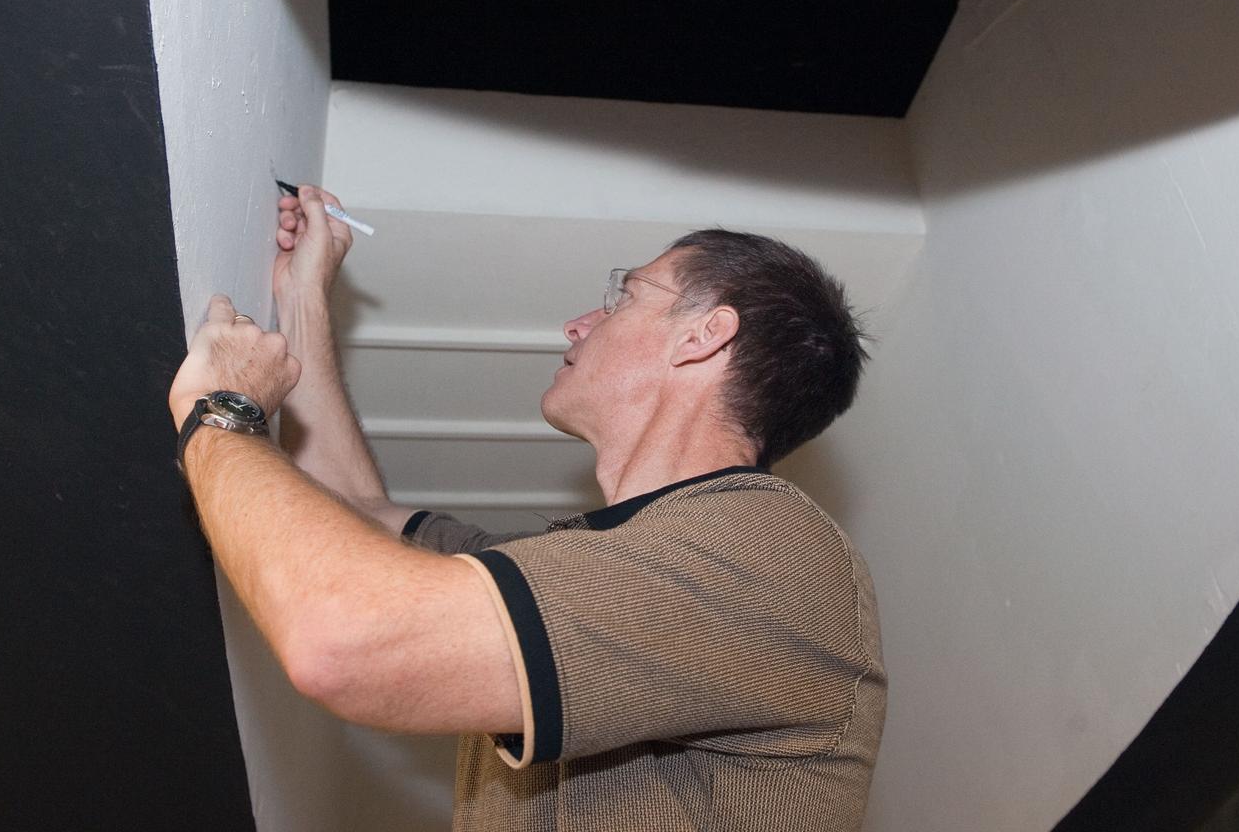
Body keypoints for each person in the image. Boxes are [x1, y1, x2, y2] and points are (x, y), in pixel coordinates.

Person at [170, 185, 886, 831]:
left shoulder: (767, 557)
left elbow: (344, 639)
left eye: (623, 296)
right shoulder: (600, 571)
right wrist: (302, 299)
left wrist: (221, 412)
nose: (577, 325)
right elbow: (358, 509)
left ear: (705, 335)